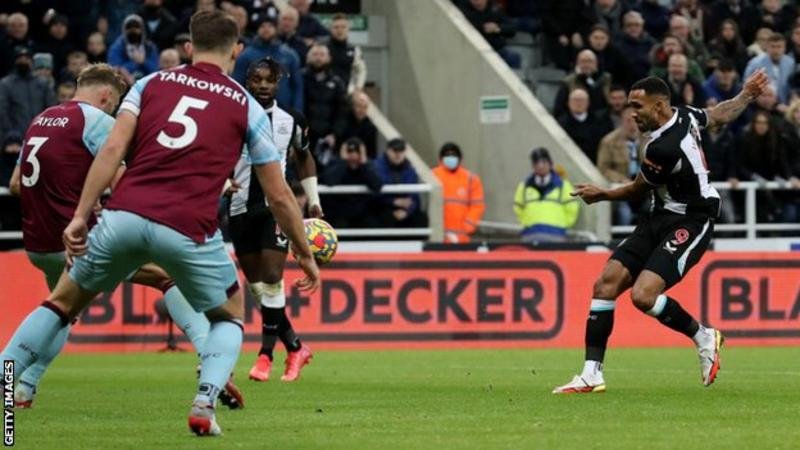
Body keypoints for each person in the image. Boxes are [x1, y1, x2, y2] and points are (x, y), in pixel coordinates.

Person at [0, 10, 319, 436]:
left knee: (60, 304)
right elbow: (279, 194)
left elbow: (113, 148)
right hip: (188, 227)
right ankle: (205, 402)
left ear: (189, 47)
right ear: (237, 50)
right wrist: (302, 249)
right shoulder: (245, 105)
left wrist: (81, 216)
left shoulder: (151, 84)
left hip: (122, 218)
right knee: (230, 314)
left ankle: (7, 397)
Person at [7, 63, 243, 410]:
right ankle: (208, 354)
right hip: (75, 241)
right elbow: (122, 181)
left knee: (62, 309)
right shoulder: (97, 121)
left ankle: (24, 387)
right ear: (106, 96)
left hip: (38, 242)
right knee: (166, 276)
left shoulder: (41, 119)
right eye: (115, 104)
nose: (115, 111)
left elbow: (15, 185)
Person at [553, 71, 769, 394]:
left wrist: (602, 194)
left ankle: (703, 336)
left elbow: (637, 190)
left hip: (693, 220)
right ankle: (590, 374)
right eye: (629, 106)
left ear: (658, 107)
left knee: (643, 296)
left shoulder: (663, 148)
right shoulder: (683, 114)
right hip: (660, 216)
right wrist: (746, 94)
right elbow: (717, 115)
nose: (632, 113)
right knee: (605, 283)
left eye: (637, 106)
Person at [226, 57, 322, 383]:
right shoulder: (233, 117)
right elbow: (218, 156)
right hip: (239, 208)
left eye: (270, 80)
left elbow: (304, 157)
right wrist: (224, 180)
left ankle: (265, 355)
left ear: (278, 83)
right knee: (258, 290)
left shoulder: (291, 120)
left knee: (271, 275)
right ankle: (295, 347)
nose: (264, 85)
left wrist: (314, 200)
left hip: (274, 207)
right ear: (249, 81)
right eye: (258, 79)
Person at [232, 15, 303, 112]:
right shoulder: (245, 55)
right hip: (254, 111)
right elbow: (237, 85)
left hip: (284, 111)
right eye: (262, 26)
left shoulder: (289, 55)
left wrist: (298, 110)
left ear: (276, 28)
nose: (266, 29)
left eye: (270, 26)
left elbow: (297, 87)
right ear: (257, 29)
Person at [513, 147, 579, 242]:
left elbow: (572, 208)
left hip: (556, 235)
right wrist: (527, 223)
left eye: (544, 162)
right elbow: (518, 208)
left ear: (550, 164)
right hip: (530, 234)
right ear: (533, 166)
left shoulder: (563, 185)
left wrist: (563, 225)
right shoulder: (524, 186)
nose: (540, 166)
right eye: (537, 163)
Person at [319, 137, 384, 228]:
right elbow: (329, 181)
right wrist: (343, 162)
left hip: (362, 213)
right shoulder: (336, 163)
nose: (353, 155)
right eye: (349, 151)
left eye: (357, 152)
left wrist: (363, 163)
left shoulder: (368, 166)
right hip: (339, 212)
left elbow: (377, 185)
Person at [596, 106, 644, 225]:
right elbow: (603, 169)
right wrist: (622, 180)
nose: (632, 125)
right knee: (624, 212)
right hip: (621, 187)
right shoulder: (608, 141)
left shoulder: (649, 139)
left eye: (635, 120)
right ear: (621, 122)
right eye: (628, 121)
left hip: (644, 187)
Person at [0, 46, 57, 143]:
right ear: (15, 61)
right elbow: (2, 111)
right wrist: (10, 134)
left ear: (31, 61)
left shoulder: (42, 83)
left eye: (26, 59)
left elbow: (52, 109)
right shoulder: (6, 84)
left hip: (41, 136)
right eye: (20, 59)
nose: (23, 61)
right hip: (14, 138)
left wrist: (48, 131)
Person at [432, 142, 485, 243]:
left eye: (454, 155)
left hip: (462, 237)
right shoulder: (433, 175)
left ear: (460, 158)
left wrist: (468, 226)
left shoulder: (471, 178)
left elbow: (477, 205)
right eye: (447, 155)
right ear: (441, 158)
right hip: (438, 236)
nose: (451, 158)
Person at [304, 44, 349, 162]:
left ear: (329, 58)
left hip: (328, 137)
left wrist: (335, 134)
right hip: (305, 136)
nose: (318, 58)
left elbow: (342, 112)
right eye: (315, 54)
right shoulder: (300, 78)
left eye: (322, 55)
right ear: (308, 58)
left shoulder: (337, 82)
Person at [374, 138, 428, 228]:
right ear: (388, 151)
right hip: (382, 207)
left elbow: (414, 197)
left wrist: (407, 211)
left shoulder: (410, 170)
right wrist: (393, 202)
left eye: (401, 151)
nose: (398, 154)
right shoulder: (376, 167)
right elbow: (375, 194)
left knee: (421, 219)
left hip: (404, 208)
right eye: (395, 150)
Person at [458, 0, 521, 68]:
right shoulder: (463, 7)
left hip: (494, 48)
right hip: (471, 48)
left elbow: (512, 29)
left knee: (514, 58)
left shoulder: (495, 9)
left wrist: (497, 28)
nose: (477, 2)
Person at [557, 88, 612, 163]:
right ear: (568, 103)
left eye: (582, 100)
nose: (579, 103)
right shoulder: (561, 123)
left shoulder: (599, 122)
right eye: (575, 100)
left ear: (588, 103)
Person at [553, 49, 611, 118]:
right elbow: (559, 108)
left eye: (590, 61)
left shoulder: (606, 79)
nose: (586, 65)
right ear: (578, 63)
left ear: (596, 64)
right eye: (583, 61)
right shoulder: (568, 82)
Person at [322, 14, 367, 94]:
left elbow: (361, 70)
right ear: (330, 29)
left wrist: (358, 88)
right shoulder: (322, 48)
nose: (340, 30)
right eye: (336, 27)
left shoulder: (354, 50)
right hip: (324, 94)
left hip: (345, 94)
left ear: (348, 29)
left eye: (343, 27)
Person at [744, 32, 793, 104]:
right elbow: (746, 87)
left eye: (779, 47)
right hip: (760, 106)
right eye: (773, 46)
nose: (776, 50)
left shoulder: (790, 63)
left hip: (785, 105)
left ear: (784, 48)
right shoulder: (755, 63)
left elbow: (792, 87)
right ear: (767, 47)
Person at [107, 14, 160, 80]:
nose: (133, 30)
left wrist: (143, 62)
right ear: (124, 30)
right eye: (129, 28)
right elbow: (115, 70)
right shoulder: (116, 48)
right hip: (124, 84)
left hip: (147, 82)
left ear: (142, 29)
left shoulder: (150, 47)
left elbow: (156, 70)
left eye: (136, 27)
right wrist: (134, 63)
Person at [341, 90, 377, 158]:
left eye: (365, 107)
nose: (361, 110)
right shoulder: (344, 122)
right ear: (353, 106)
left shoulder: (371, 127)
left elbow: (372, 153)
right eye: (359, 106)